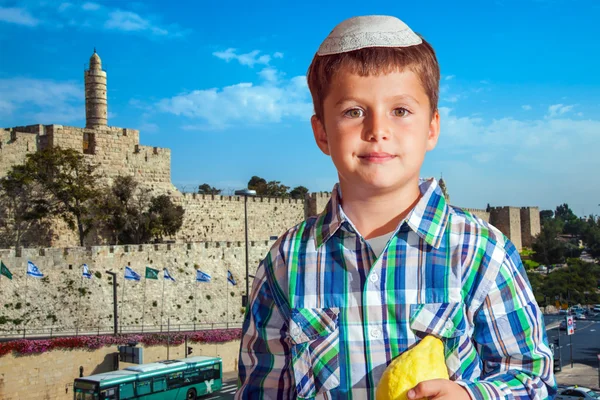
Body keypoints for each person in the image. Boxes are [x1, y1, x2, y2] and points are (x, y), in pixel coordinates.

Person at [236, 15, 557, 399]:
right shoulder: (286, 261)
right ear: (322, 132)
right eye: (353, 111)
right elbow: (262, 390)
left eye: (400, 111)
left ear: (432, 128)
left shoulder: (482, 252)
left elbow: (531, 379)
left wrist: (471, 396)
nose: (377, 130)